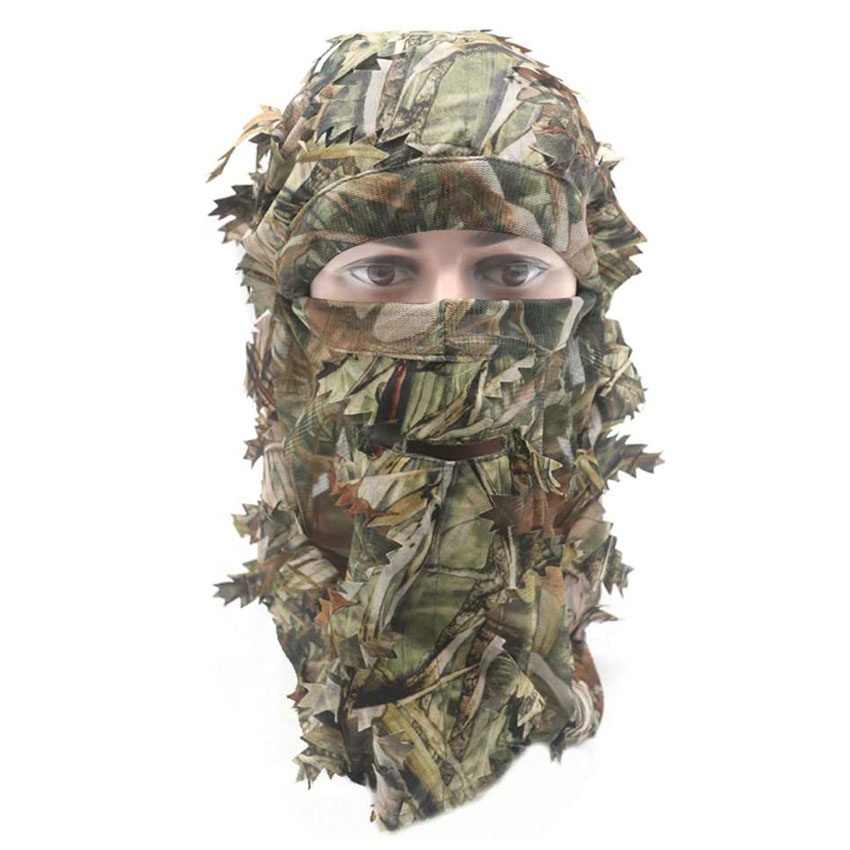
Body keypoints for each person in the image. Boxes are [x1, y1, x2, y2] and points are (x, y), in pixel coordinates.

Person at [207, 29, 662, 831]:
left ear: (584, 310)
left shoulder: (647, 783)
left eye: (509, 271)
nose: (448, 318)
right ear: (290, 311)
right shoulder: (215, 747)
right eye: (382, 272)